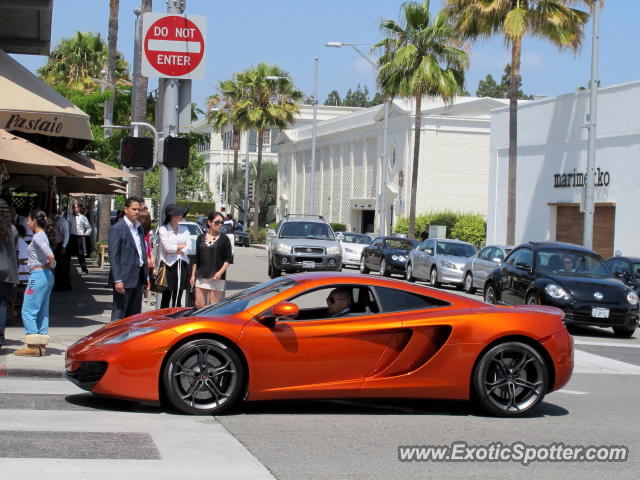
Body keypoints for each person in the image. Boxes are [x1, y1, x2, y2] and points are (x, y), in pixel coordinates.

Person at [14, 210, 56, 357]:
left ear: (34, 221)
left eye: (29, 219)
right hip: (45, 275)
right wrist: (50, 265)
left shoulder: (38, 237)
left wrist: (51, 263)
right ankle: (41, 344)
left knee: (28, 309)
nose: (27, 222)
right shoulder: (42, 235)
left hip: (38, 275)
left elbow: (49, 254)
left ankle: (32, 344)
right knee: (42, 310)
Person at [108, 197, 149, 321]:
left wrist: (146, 276)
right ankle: (115, 339)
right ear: (126, 209)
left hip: (138, 277)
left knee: (134, 316)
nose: (137, 212)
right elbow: (114, 256)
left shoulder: (139, 227)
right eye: (134, 209)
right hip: (124, 279)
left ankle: (130, 340)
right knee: (119, 315)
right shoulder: (117, 228)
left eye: (138, 209)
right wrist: (118, 279)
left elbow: (142, 252)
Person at [190, 211, 233, 308]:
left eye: (222, 222)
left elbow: (228, 259)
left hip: (217, 277)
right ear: (209, 222)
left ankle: (211, 322)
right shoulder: (200, 238)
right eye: (217, 222)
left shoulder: (225, 239)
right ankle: (201, 322)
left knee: (214, 306)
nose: (220, 225)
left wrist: (220, 273)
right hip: (202, 275)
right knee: (199, 304)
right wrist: (193, 275)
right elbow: (196, 258)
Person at [158, 203, 191, 308]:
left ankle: (176, 316)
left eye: (182, 214)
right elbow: (167, 248)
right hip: (168, 265)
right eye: (178, 214)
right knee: (166, 295)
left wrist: (181, 249)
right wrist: (181, 246)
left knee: (179, 294)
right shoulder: (163, 229)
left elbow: (189, 246)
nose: (181, 216)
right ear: (171, 216)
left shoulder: (185, 229)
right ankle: (163, 318)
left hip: (182, 264)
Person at [0, 199, 19, 350]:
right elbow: (15, 251)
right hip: (6, 272)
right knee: (2, 305)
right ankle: (0, 337)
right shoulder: (11, 230)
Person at [67, 203, 91, 274]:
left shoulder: (83, 217)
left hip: (80, 237)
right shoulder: (70, 217)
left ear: (79, 208)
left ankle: (83, 268)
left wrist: (85, 234)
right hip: (72, 236)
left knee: (80, 253)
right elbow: (67, 226)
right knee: (69, 253)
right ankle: (67, 268)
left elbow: (89, 228)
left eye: (76, 207)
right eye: (74, 208)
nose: (75, 209)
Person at [137, 210, 155, 306]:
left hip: (145, 261)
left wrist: (150, 255)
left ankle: (147, 300)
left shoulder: (145, 234)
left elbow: (147, 246)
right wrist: (148, 256)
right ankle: (147, 300)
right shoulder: (140, 234)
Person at [52, 209, 71, 291]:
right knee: (59, 267)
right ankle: (61, 285)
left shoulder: (61, 221)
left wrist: (63, 246)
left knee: (62, 267)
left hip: (62, 245)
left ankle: (63, 286)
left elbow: (66, 234)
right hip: (58, 244)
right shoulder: (55, 221)